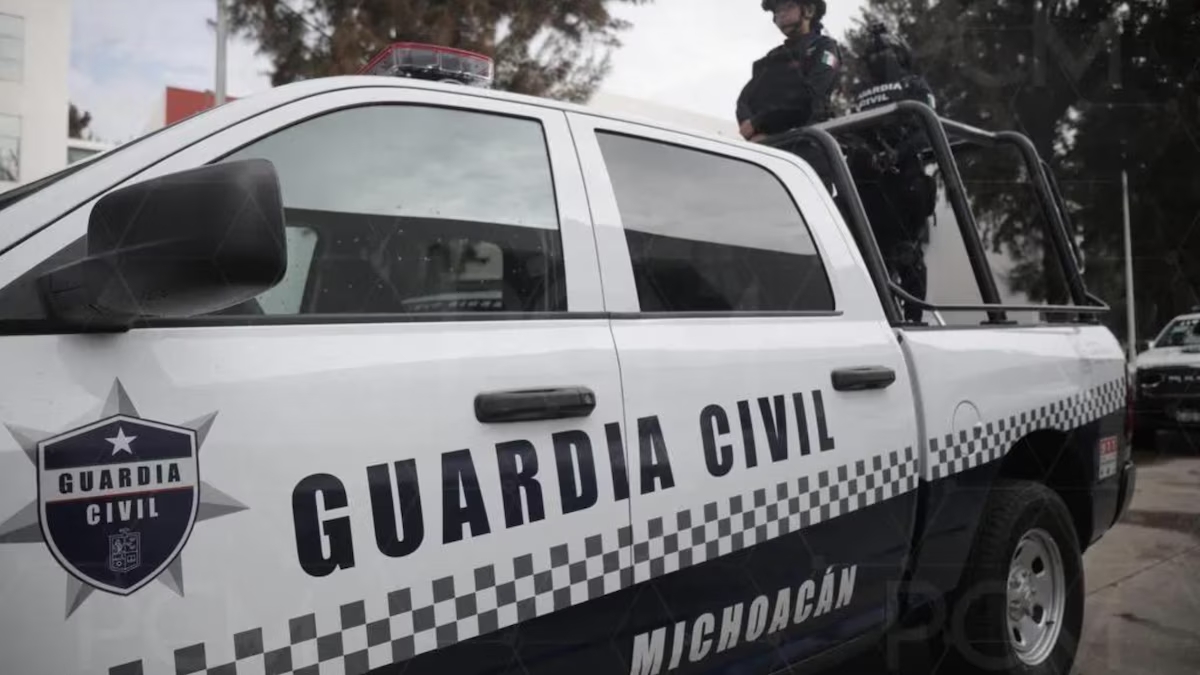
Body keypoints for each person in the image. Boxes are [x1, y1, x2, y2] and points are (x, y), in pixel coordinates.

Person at [846, 22, 939, 323]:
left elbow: (927, 129)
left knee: (906, 255)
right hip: (867, 183)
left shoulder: (914, 85)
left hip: (905, 180)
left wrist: (897, 153)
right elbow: (852, 132)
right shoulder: (859, 92)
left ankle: (913, 323)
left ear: (899, 54)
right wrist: (867, 154)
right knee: (870, 258)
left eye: (885, 53)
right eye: (874, 55)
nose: (879, 59)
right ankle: (878, 320)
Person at [736, 0, 843, 144]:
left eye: (788, 7)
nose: (781, 15)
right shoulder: (772, 57)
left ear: (809, 11)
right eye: (777, 11)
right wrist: (752, 130)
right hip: (767, 143)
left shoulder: (824, 48)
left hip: (808, 139)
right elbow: (745, 99)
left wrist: (758, 123)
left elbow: (812, 95)